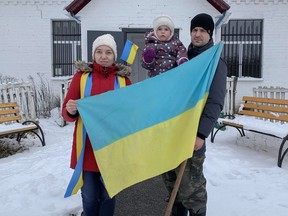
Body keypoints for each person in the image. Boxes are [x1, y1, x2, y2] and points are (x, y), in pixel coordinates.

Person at [161, 13, 228, 216]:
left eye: (202, 31)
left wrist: (201, 134)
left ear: (210, 34)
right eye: (194, 30)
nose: (197, 34)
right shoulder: (182, 59)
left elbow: (215, 101)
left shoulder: (215, 62)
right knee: (173, 185)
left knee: (192, 189)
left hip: (193, 134)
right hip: (173, 132)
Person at [62, 34, 132, 216]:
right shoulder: (81, 77)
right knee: (90, 195)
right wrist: (71, 109)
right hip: (88, 149)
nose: (103, 56)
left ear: (114, 56)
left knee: (109, 194)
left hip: (112, 147)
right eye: (99, 52)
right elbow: (67, 113)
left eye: (108, 52)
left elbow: (130, 114)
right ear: (93, 55)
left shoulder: (124, 81)